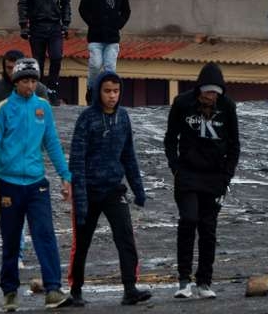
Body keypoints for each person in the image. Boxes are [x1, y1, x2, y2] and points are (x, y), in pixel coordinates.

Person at [0, 58, 73, 310]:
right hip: (8, 184)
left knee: (45, 235)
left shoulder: (43, 107)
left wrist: (66, 176)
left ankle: (53, 289)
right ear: (16, 82)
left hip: (37, 185)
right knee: (11, 240)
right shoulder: (3, 108)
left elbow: (52, 144)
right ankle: (10, 292)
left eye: (34, 81)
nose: (30, 86)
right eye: (25, 81)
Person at [68, 72, 150, 307]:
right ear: (97, 92)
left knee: (125, 238)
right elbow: (77, 160)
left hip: (114, 190)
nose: (112, 96)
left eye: (116, 91)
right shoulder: (86, 119)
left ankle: (130, 288)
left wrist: (138, 189)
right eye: (107, 91)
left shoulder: (123, 118)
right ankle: (75, 290)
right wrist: (81, 200)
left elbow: (129, 156)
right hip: (89, 191)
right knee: (81, 243)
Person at [163, 63, 240, 300]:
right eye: (208, 92)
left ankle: (204, 281)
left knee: (208, 229)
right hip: (186, 174)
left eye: (215, 93)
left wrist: (226, 177)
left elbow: (234, 145)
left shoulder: (227, 107)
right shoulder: (182, 103)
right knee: (188, 220)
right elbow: (170, 139)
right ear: (199, 90)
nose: (211, 97)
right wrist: (175, 167)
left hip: (214, 177)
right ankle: (184, 280)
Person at [17, 0, 71, 105]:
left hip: (55, 25)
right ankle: (38, 91)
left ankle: (52, 89)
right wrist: (23, 25)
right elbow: (23, 3)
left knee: (56, 57)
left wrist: (66, 23)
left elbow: (66, 1)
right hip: (37, 26)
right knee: (38, 61)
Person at [77, 0, 131, 102]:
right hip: (95, 35)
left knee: (110, 68)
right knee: (95, 63)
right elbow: (83, 8)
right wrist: (92, 22)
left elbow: (126, 11)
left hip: (112, 37)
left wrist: (118, 24)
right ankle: (91, 89)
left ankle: (106, 97)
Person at [0, 50, 49, 146]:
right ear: (4, 68)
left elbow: (45, 123)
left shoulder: (39, 90)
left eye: (15, 67)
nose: (12, 71)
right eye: (9, 68)